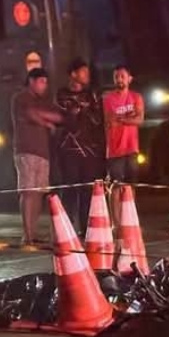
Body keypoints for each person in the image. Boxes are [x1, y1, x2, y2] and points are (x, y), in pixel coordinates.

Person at [54, 58, 105, 234]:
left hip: (89, 151)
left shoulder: (92, 94)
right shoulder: (61, 94)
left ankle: (86, 229)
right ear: (73, 74)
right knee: (70, 189)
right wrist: (75, 111)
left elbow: (98, 119)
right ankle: (65, 229)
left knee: (87, 191)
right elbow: (63, 119)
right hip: (68, 150)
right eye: (83, 72)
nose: (87, 75)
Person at [11, 68, 62, 244]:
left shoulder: (42, 101)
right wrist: (46, 122)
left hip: (43, 152)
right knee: (28, 191)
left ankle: (33, 233)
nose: (44, 86)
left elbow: (57, 116)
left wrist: (47, 118)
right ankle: (27, 234)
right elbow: (31, 114)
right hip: (26, 150)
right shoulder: (21, 98)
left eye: (46, 82)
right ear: (31, 81)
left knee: (39, 192)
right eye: (41, 82)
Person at [102, 64, 145, 226]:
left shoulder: (136, 97)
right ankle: (116, 221)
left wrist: (121, 119)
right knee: (115, 185)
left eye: (122, 76)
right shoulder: (108, 99)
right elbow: (109, 120)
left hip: (131, 147)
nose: (119, 79)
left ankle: (129, 219)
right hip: (114, 149)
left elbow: (139, 119)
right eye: (116, 77)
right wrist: (129, 117)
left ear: (129, 79)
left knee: (130, 185)